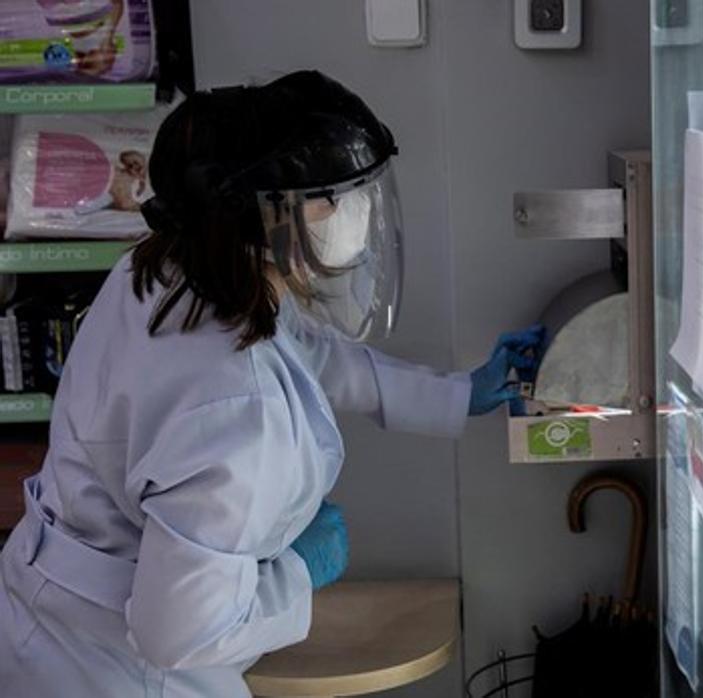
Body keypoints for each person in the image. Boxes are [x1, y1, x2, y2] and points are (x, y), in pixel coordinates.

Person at [0, 71, 541, 697]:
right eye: (331, 198)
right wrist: (296, 573)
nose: (355, 214)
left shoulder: (167, 275)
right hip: (120, 674)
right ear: (257, 218)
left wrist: (457, 393)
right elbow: (178, 635)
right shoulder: (234, 410)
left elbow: (310, 353)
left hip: (44, 621)